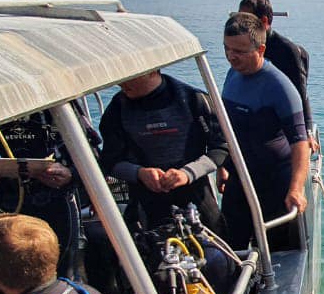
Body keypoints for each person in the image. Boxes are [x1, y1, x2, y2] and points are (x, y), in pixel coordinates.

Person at [0, 106, 94, 283]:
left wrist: (70, 174)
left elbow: (93, 153)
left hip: (52, 201)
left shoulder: (54, 101)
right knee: (4, 279)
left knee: (62, 276)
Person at [220, 12, 312, 252]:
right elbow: (227, 128)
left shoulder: (279, 86)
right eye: (227, 49)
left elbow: (300, 141)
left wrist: (296, 188)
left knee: (278, 253)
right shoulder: (232, 75)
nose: (231, 57)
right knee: (231, 248)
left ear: (261, 50)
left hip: (273, 184)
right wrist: (221, 164)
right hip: (239, 180)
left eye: (239, 51)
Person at [98, 67, 229, 234]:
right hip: (145, 202)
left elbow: (221, 148)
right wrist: (140, 173)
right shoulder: (116, 110)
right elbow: (109, 161)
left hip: (196, 195)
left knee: (217, 253)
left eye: (128, 76)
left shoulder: (193, 99)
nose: (121, 83)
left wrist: (186, 174)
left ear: (152, 70)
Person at [237, 0, 316, 152]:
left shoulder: (288, 51)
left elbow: (300, 94)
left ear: (264, 22)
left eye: (246, 21)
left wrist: (305, 132)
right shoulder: (243, 48)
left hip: (277, 127)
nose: (239, 25)